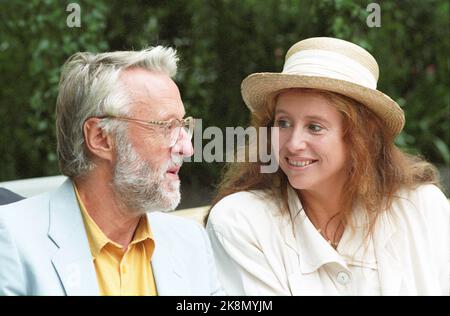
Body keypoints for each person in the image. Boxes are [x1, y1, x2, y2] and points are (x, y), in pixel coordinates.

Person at [206, 37, 449, 295]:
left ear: (361, 137)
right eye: (284, 123)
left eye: (315, 127)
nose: (294, 143)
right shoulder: (240, 221)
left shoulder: (422, 207)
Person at [0, 47, 223, 296]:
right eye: (168, 126)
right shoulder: (11, 240)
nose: (187, 148)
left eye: (183, 126)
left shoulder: (190, 242)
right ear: (101, 138)